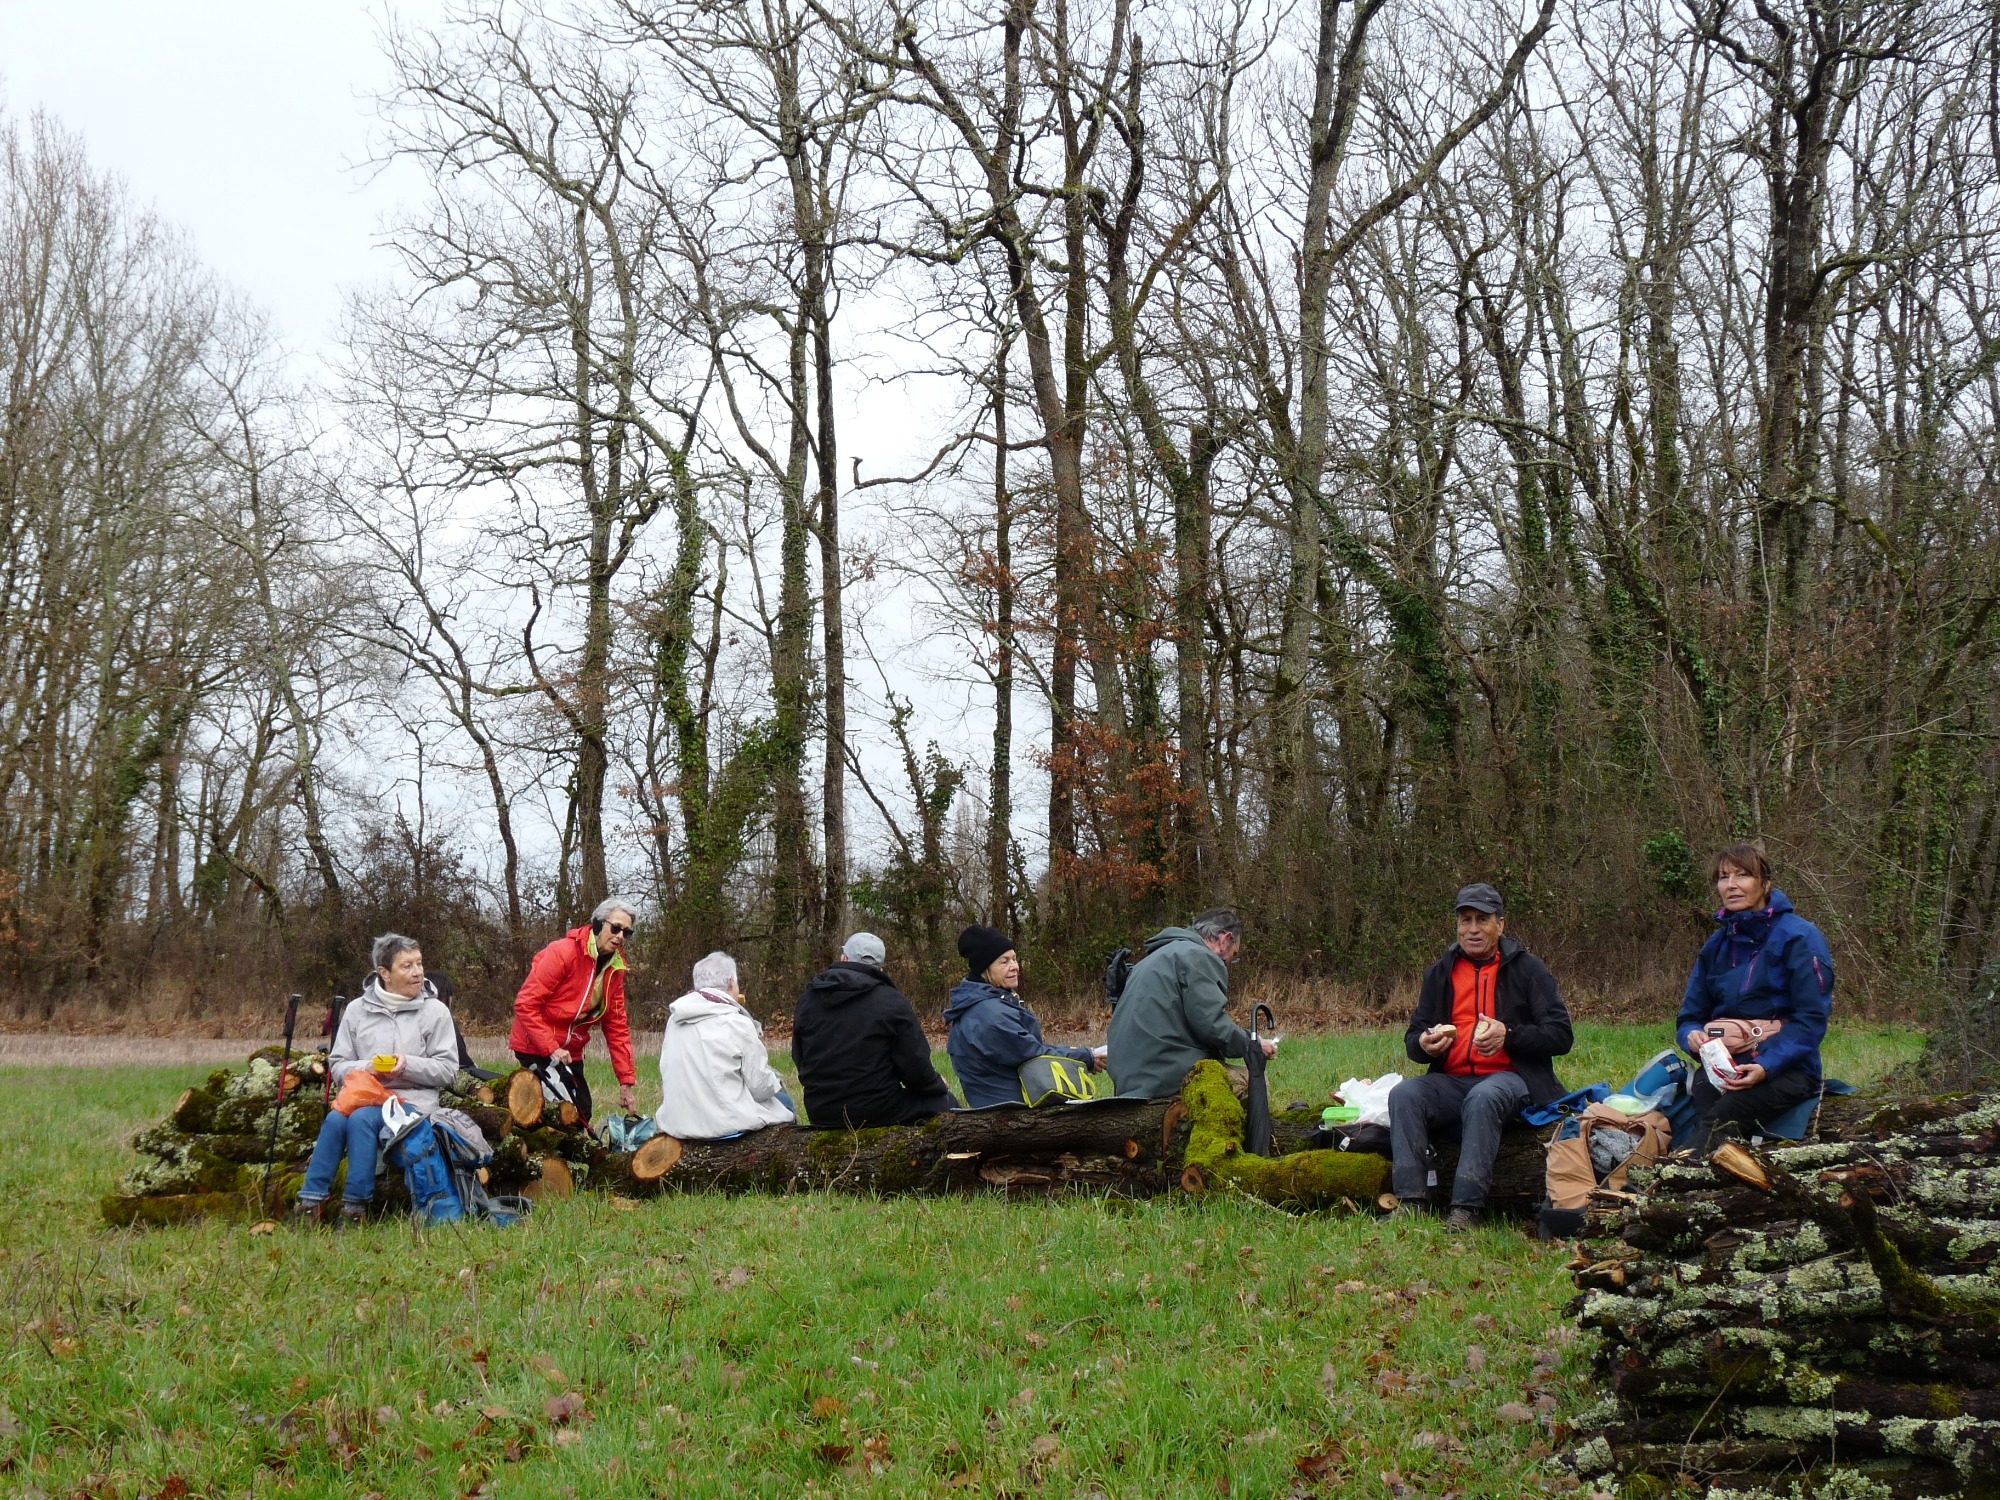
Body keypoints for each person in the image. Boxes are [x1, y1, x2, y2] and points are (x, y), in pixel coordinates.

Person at [1391, 884, 1575, 1230]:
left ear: (1500, 925)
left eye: (1482, 920)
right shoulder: (1439, 974)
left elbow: (1561, 1035)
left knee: (1483, 1096)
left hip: (1512, 1080)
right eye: (1465, 920)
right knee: (1405, 1094)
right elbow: (1413, 1040)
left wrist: (1510, 1035)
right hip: (1452, 1080)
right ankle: (1411, 1200)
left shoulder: (1528, 969)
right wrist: (1425, 1044)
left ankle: (1466, 1209)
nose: (1472, 929)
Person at [294, 933, 461, 1226]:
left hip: (412, 1103)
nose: (418, 972)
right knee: (335, 1120)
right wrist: (370, 1067)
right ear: (384, 973)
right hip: (364, 1096)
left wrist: (406, 1065)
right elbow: (338, 1065)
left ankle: (355, 1209)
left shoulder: (435, 1012)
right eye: (407, 966)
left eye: (419, 963)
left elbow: (448, 1070)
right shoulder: (357, 1010)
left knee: (361, 1120)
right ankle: (310, 1203)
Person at [1676, 844, 1833, 1154]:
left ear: (1766, 883)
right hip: (1722, 1070)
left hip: (1787, 1071)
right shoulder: (1716, 946)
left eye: (1743, 875)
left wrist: (1765, 1065)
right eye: (1723, 877)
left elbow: (1811, 1020)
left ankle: (1678, 1174)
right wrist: (1691, 1037)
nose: (1731, 885)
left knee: (1719, 1122)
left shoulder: (1800, 937)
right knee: (1705, 1122)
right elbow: (1689, 1017)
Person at [1103, 908, 1273, 1099]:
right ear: (1224, 940)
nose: (1228, 964)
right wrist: (1252, 1044)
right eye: (1233, 956)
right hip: (1164, 1078)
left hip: (1128, 1082)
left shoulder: (1150, 961)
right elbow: (1213, 1027)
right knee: (1253, 1083)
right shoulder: (1198, 956)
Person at [793, 932, 958, 1127]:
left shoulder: (808, 999)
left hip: (820, 1111)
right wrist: (937, 1085)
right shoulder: (892, 1002)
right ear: (880, 968)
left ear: (843, 958)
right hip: (876, 1110)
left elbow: (799, 1057)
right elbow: (914, 1066)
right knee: (947, 1103)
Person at [508, 896, 640, 1122]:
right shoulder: (563, 952)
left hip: (570, 1051)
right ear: (598, 924)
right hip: (535, 1045)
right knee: (559, 1113)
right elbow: (526, 1004)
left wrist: (626, 1082)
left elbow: (617, 1027)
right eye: (616, 928)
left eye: (627, 933)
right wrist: (551, 1047)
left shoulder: (615, 969)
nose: (620, 936)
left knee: (582, 1112)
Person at [945, 925, 1102, 1108]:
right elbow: (1033, 1054)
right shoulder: (990, 1015)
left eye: (1014, 959)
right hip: (1009, 1110)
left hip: (1007, 1104)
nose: (1014, 967)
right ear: (985, 969)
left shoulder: (989, 1004)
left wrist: (1083, 1053)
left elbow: (1027, 1047)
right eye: (1004, 962)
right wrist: (1087, 1056)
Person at [656, 951, 796, 1138]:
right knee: (785, 1102)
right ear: (731, 983)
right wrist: (776, 1081)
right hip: (723, 1124)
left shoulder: (675, 1020)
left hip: (677, 1124)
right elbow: (761, 1087)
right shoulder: (737, 1022)